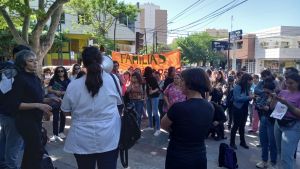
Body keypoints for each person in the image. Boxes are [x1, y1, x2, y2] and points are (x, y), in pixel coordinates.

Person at [61, 46, 122, 169]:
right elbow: (119, 104)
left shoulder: (73, 85)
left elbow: (65, 112)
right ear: (101, 60)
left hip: (81, 138)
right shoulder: (113, 80)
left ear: (83, 62)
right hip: (109, 136)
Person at [8, 50, 54, 169]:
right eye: (30, 61)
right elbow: (15, 104)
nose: (35, 63)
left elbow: (36, 98)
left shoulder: (35, 78)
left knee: (30, 151)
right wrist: (38, 105)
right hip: (25, 120)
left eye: (35, 60)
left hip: (35, 119)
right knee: (37, 150)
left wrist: (49, 100)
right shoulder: (19, 79)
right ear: (23, 63)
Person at [161, 68, 214, 169]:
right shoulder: (210, 107)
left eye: (182, 80)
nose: (180, 83)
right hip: (199, 156)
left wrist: (176, 131)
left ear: (190, 84)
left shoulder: (178, 107)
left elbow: (163, 125)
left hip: (178, 156)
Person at [0, 45, 31, 169]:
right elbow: (9, 94)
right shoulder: (11, 70)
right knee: (13, 147)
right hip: (14, 114)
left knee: (5, 141)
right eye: (28, 57)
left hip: (6, 112)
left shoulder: (8, 68)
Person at [272, 72, 300, 169]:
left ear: (298, 83)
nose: (288, 85)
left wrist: (287, 103)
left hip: (292, 126)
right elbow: (273, 107)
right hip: (278, 123)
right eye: (287, 83)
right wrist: (273, 99)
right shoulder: (283, 92)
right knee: (280, 152)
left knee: (287, 156)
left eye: (291, 83)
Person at [255, 79, 277, 169]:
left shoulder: (276, 97)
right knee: (263, 141)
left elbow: (274, 109)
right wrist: (259, 104)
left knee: (272, 143)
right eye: (264, 91)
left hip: (272, 121)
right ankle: (264, 161)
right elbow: (258, 104)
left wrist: (272, 100)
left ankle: (273, 163)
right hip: (264, 119)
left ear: (272, 90)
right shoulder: (263, 95)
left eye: (268, 92)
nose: (265, 93)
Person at [230, 73, 254, 150]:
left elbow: (247, 97)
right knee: (236, 125)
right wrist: (248, 97)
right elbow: (237, 98)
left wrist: (251, 96)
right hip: (237, 108)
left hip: (244, 108)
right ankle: (232, 142)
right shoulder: (238, 87)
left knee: (242, 126)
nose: (251, 82)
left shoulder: (247, 87)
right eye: (250, 81)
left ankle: (242, 142)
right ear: (246, 80)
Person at [48, 66, 70, 141]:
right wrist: (56, 92)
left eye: (62, 71)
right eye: (58, 71)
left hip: (65, 100)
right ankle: (55, 134)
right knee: (56, 117)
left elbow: (71, 90)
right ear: (56, 72)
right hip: (56, 100)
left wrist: (64, 92)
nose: (60, 72)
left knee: (63, 116)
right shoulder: (53, 79)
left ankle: (61, 132)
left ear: (64, 72)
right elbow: (49, 89)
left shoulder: (68, 80)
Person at [144, 66, 161, 136]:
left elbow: (158, 88)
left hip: (154, 97)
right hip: (148, 97)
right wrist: (146, 95)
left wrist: (152, 91)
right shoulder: (146, 78)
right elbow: (147, 88)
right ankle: (150, 126)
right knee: (149, 112)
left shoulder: (153, 79)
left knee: (155, 112)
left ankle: (158, 129)